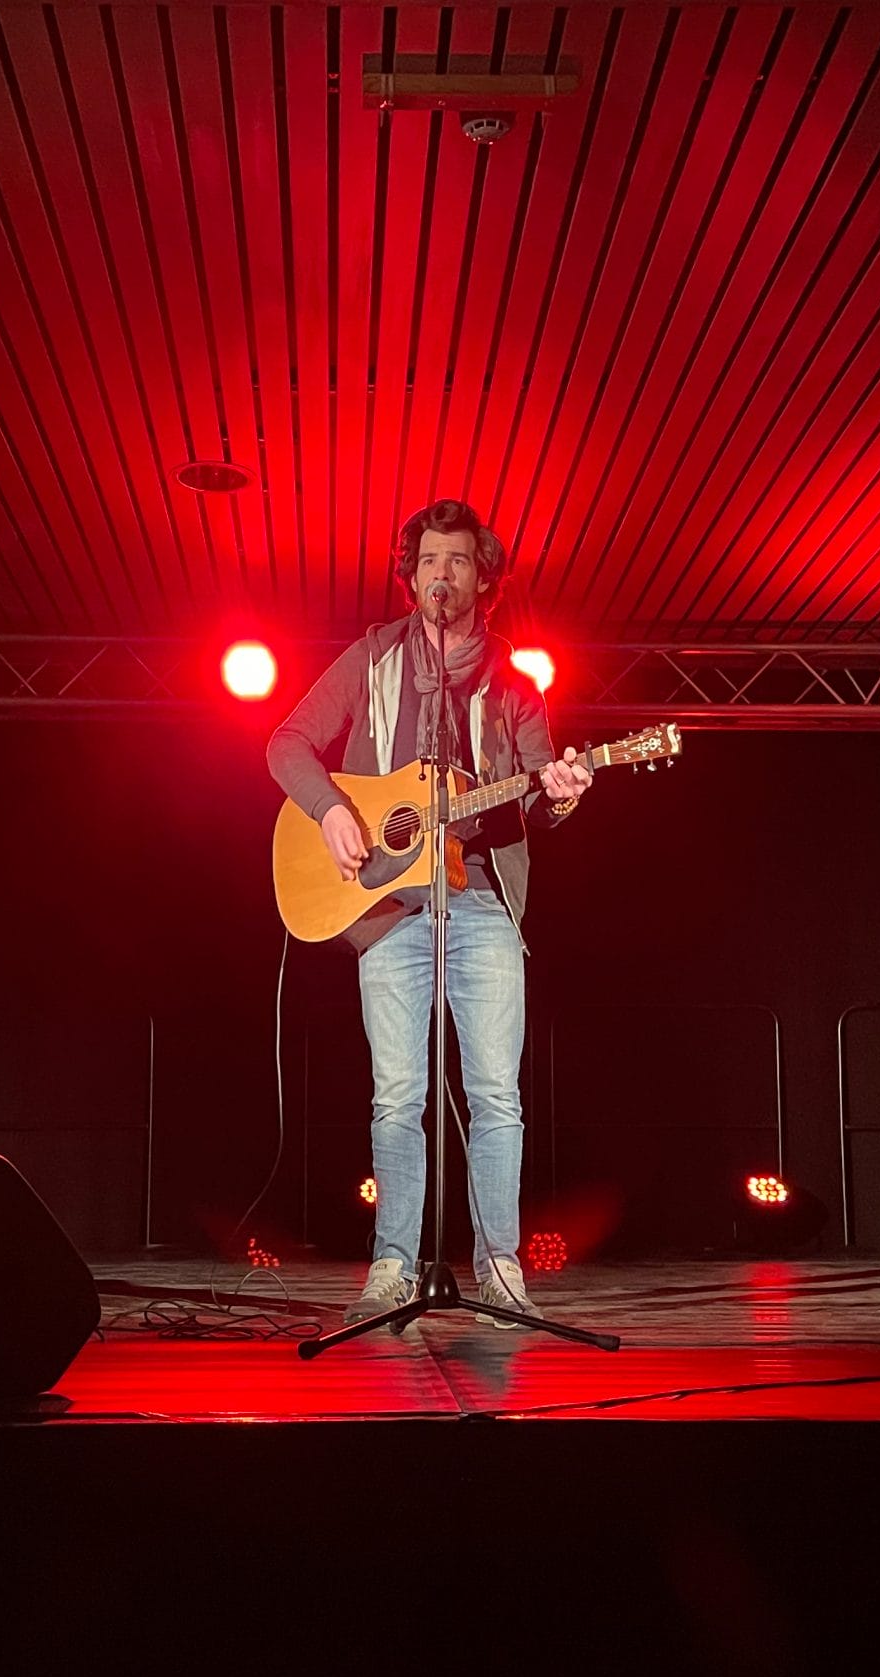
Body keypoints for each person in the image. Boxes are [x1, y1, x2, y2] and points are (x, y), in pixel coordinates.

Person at [266, 499, 593, 1327]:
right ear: (410, 577)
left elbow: (535, 797)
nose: (441, 574)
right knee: (396, 1095)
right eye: (428, 561)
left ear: (484, 579)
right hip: (387, 909)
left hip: (480, 901)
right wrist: (332, 811)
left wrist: (561, 793)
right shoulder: (371, 659)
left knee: (496, 1096)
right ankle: (392, 1266)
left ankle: (500, 1269)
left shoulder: (514, 684)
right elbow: (286, 743)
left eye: (458, 561)